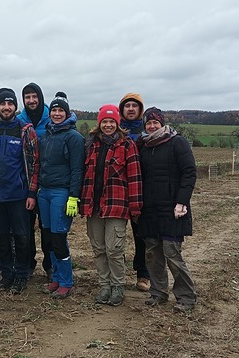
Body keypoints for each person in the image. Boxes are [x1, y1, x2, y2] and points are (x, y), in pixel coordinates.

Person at [80, 104, 142, 306]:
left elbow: (134, 178)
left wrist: (135, 207)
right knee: (98, 249)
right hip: (94, 206)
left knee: (114, 250)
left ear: (117, 123)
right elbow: (84, 176)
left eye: (111, 122)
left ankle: (118, 287)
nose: (108, 125)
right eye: (104, 122)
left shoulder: (127, 146)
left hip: (116, 206)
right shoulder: (92, 145)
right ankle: (104, 286)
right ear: (99, 124)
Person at [136, 107, 197, 313]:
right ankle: (158, 292)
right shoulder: (142, 146)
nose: (152, 126)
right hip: (150, 209)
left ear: (162, 123)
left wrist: (182, 202)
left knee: (172, 253)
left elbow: (189, 173)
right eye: (148, 123)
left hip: (173, 209)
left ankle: (186, 296)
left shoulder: (177, 142)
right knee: (153, 253)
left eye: (155, 122)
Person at [0, 88, 39, 294]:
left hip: (19, 196)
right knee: (1, 237)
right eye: (3, 104)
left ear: (15, 106)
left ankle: (22, 275)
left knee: (22, 236)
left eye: (10, 104)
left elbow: (34, 164)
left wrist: (32, 193)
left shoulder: (25, 130)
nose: (6, 107)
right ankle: (6, 275)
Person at [38, 92, 84, 299]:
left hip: (61, 193)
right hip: (44, 192)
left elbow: (77, 170)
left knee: (58, 238)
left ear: (67, 113)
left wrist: (73, 196)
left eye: (60, 111)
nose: (57, 114)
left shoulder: (74, 138)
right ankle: (56, 277)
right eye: (54, 110)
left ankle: (66, 281)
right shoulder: (46, 134)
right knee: (47, 238)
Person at [16, 82, 52, 279]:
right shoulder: (19, 121)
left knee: (47, 228)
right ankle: (28, 263)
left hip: (47, 182)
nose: (31, 100)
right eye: (27, 97)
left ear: (40, 98)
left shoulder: (51, 119)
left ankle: (50, 265)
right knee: (25, 227)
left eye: (34, 96)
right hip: (25, 183)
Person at [119, 92, 151, 292]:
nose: (130, 109)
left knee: (142, 235)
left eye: (134, 106)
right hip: (119, 191)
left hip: (142, 190)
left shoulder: (147, 132)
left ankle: (143, 273)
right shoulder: (116, 130)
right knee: (115, 235)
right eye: (127, 105)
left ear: (140, 110)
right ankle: (117, 272)